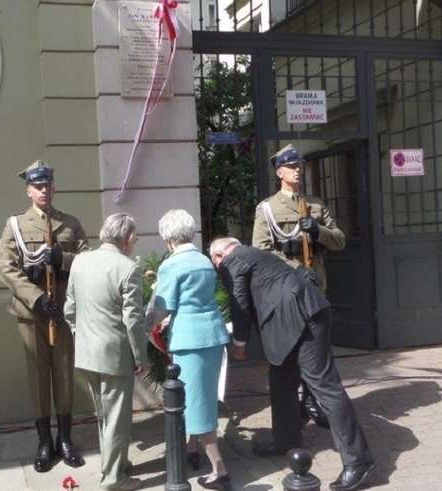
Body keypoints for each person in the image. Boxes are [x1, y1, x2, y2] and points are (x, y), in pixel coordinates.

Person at [210, 238, 374, 491]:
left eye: (214, 261)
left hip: (302, 319)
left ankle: (359, 460)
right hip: (297, 319)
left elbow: (239, 303)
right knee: (281, 380)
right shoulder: (253, 255)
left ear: (219, 255)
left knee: (325, 387)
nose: (216, 266)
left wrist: (239, 344)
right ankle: (285, 440)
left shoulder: (234, 259)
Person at [0, 160, 88, 472]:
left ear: (54, 187)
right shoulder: (16, 226)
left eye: (48, 185)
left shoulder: (71, 224)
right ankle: (44, 442)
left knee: (63, 374)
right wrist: (35, 298)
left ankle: (65, 439)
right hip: (32, 314)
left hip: (63, 311)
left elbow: (88, 261)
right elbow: (6, 268)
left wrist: (64, 258)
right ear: (28, 191)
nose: (44, 190)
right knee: (38, 378)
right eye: (38, 186)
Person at [252, 144, 346, 435]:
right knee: (292, 348)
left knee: (317, 348)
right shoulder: (268, 208)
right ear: (279, 171)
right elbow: (261, 250)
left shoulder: (316, 205)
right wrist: (294, 268)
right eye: (291, 166)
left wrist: (319, 231)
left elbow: (340, 240)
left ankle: (314, 401)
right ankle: (293, 410)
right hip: (288, 291)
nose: (297, 170)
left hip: (316, 286)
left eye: (299, 166)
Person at [146, 209, 231, 490]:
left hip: (190, 339)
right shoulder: (204, 260)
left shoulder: (172, 265)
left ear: (167, 238)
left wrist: (145, 325)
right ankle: (191, 449)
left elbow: (161, 307)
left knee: (195, 404)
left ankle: (219, 469)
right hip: (212, 335)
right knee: (202, 396)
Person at [64, 213, 147, 491]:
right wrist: (141, 356)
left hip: (87, 352)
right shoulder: (127, 267)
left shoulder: (81, 260)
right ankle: (113, 479)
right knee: (116, 419)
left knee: (105, 416)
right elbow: (133, 320)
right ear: (125, 238)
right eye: (134, 235)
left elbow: (70, 309)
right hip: (114, 355)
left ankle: (113, 465)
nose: (135, 240)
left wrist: (82, 337)